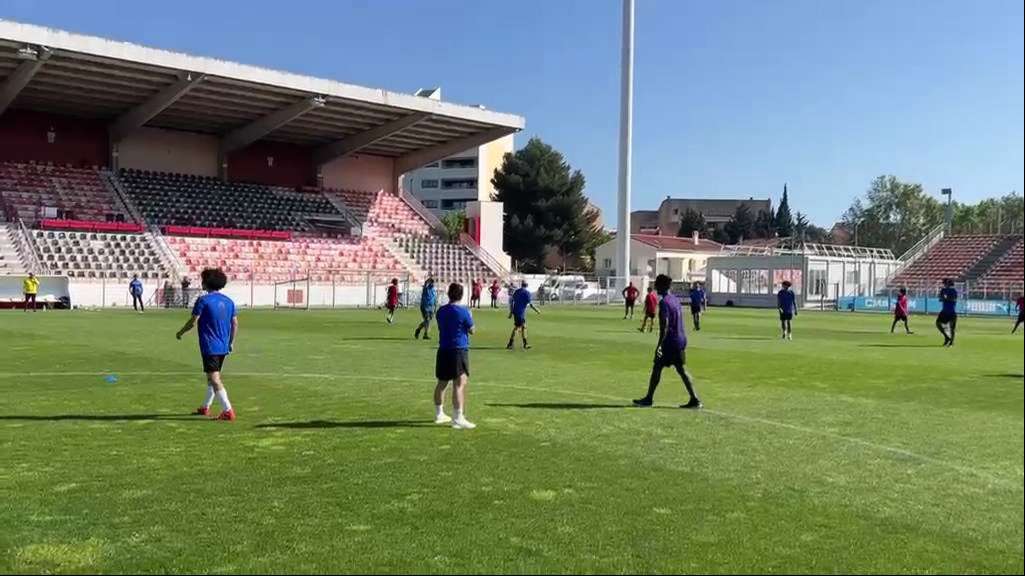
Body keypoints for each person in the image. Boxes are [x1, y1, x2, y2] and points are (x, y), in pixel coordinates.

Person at [176, 268, 238, 421]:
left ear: (207, 282)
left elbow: (193, 322)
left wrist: (181, 332)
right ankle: (205, 406)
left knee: (215, 378)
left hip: (210, 345)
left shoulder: (203, 300)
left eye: (203, 280)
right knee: (211, 376)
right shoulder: (229, 301)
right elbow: (235, 323)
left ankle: (228, 410)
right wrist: (231, 342)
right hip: (223, 346)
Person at [633, 274, 702, 409]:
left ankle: (649, 398)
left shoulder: (664, 302)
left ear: (662, 285)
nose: (655, 287)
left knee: (657, 367)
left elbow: (665, 325)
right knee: (681, 370)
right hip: (680, 339)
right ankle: (695, 399)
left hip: (670, 341)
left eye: (657, 284)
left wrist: (659, 345)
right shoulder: (675, 300)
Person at [433, 283, 477, 430]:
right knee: (460, 383)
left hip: (443, 349)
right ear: (461, 295)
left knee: (442, 382)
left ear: (449, 294)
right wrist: (471, 316)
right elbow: (472, 330)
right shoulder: (463, 312)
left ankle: (439, 414)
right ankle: (458, 417)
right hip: (458, 349)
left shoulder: (441, 311)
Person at [507, 280, 541, 350]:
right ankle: (524, 344)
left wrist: (511, 312)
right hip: (521, 313)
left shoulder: (517, 291)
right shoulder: (527, 293)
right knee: (522, 327)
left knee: (518, 327)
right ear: (527, 285)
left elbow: (512, 302)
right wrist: (537, 310)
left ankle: (511, 343)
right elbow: (530, 304)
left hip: (516, 311)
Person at [936, 279, 958, 347]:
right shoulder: (943, 290)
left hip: (951, 311)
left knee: (952, 328)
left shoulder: (953, 291)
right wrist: (942, 297)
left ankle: (951, 342)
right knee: (938, 323)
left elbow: (954, 299)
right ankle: (947, 337)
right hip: (944, 311)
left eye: (945, 283)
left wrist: (946, 298)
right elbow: (940, 299)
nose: (944, 285)